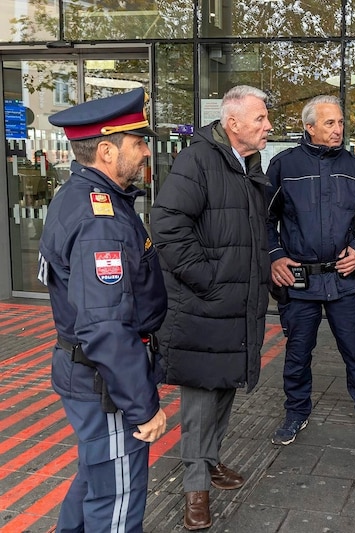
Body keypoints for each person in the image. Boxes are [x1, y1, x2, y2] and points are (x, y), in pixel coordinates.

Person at [38, 87, 168, 532]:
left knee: (97, 477)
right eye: (139, 142)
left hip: (90, 377)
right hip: (105, 382)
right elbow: (106, 326)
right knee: (116, 501)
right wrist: (143, 407)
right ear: (107, 150)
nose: (147, 150)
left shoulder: (81, 195)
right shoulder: (100, 220)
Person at [150, 85, 273, 531]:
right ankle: (194, 487)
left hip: (237, 304)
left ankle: (211, 460)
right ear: (233, 122)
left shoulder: (248, 165)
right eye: (260, 119)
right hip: (205, 305)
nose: (268, 126)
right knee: (201, 396)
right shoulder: (198, 159)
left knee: (225, 385)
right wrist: (209, 279)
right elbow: (166, 226)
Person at [266, 94, 355, 447]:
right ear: (309, 127)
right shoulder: (284, 166)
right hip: (299, 279)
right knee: (297, 351)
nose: (338, 129)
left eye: (339, 123)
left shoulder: (354, 168)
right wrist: (275, 256)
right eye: (330, 123)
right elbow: (263, 219)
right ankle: (296, 411)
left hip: (342, 279)